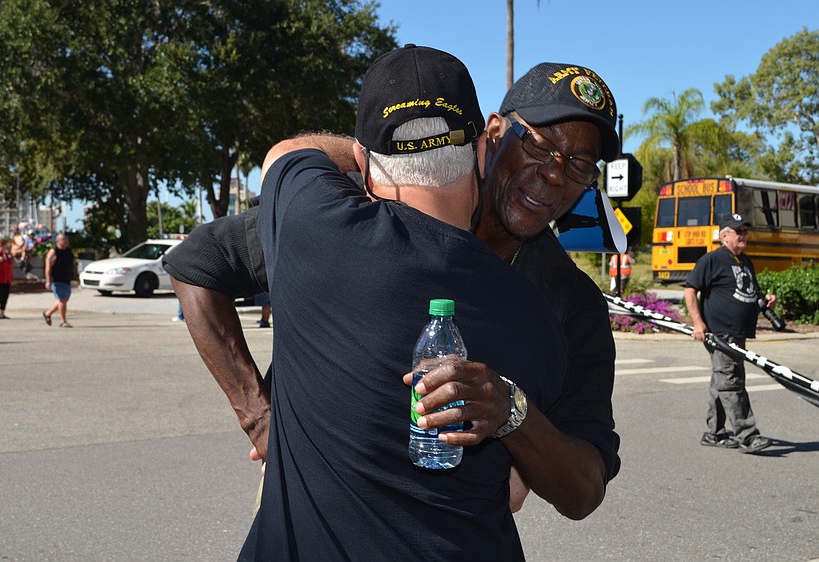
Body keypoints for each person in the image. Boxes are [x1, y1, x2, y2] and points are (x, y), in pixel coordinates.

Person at [166, 47, 620, 559]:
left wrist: (514, 415)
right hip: (310, 523)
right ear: (490, 138)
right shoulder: (361, 218)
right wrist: (259, 414)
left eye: (580, 165)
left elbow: (584, 490)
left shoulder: (566, 305)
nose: (556, 173)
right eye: (540, 145)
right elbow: (197, 263)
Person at [684, 213, 776, 454]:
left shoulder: (745, 261)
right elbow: (690, 291)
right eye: (739, 231)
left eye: (745, 230)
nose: (744, 235)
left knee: (723, 381)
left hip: (738, 333)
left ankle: (713, 433)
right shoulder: (711, 260)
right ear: (724, 236)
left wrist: (765, 302)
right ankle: (747, 435)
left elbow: (750, 295)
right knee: (731, 382)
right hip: (719, 333)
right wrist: (698, 323)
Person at [43, 233, 77, 328]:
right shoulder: (53, 252)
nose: (65, 241)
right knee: (62, 299)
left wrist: (76, 276)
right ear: (57, 241)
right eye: (63, 239)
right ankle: (63, 321)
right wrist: (48, 281)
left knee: (63, 300)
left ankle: (48, 313)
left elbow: (73, 264)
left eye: (66, 239)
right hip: (56, 279)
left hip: (66, 279)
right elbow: (48, 268)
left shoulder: (69, 251)